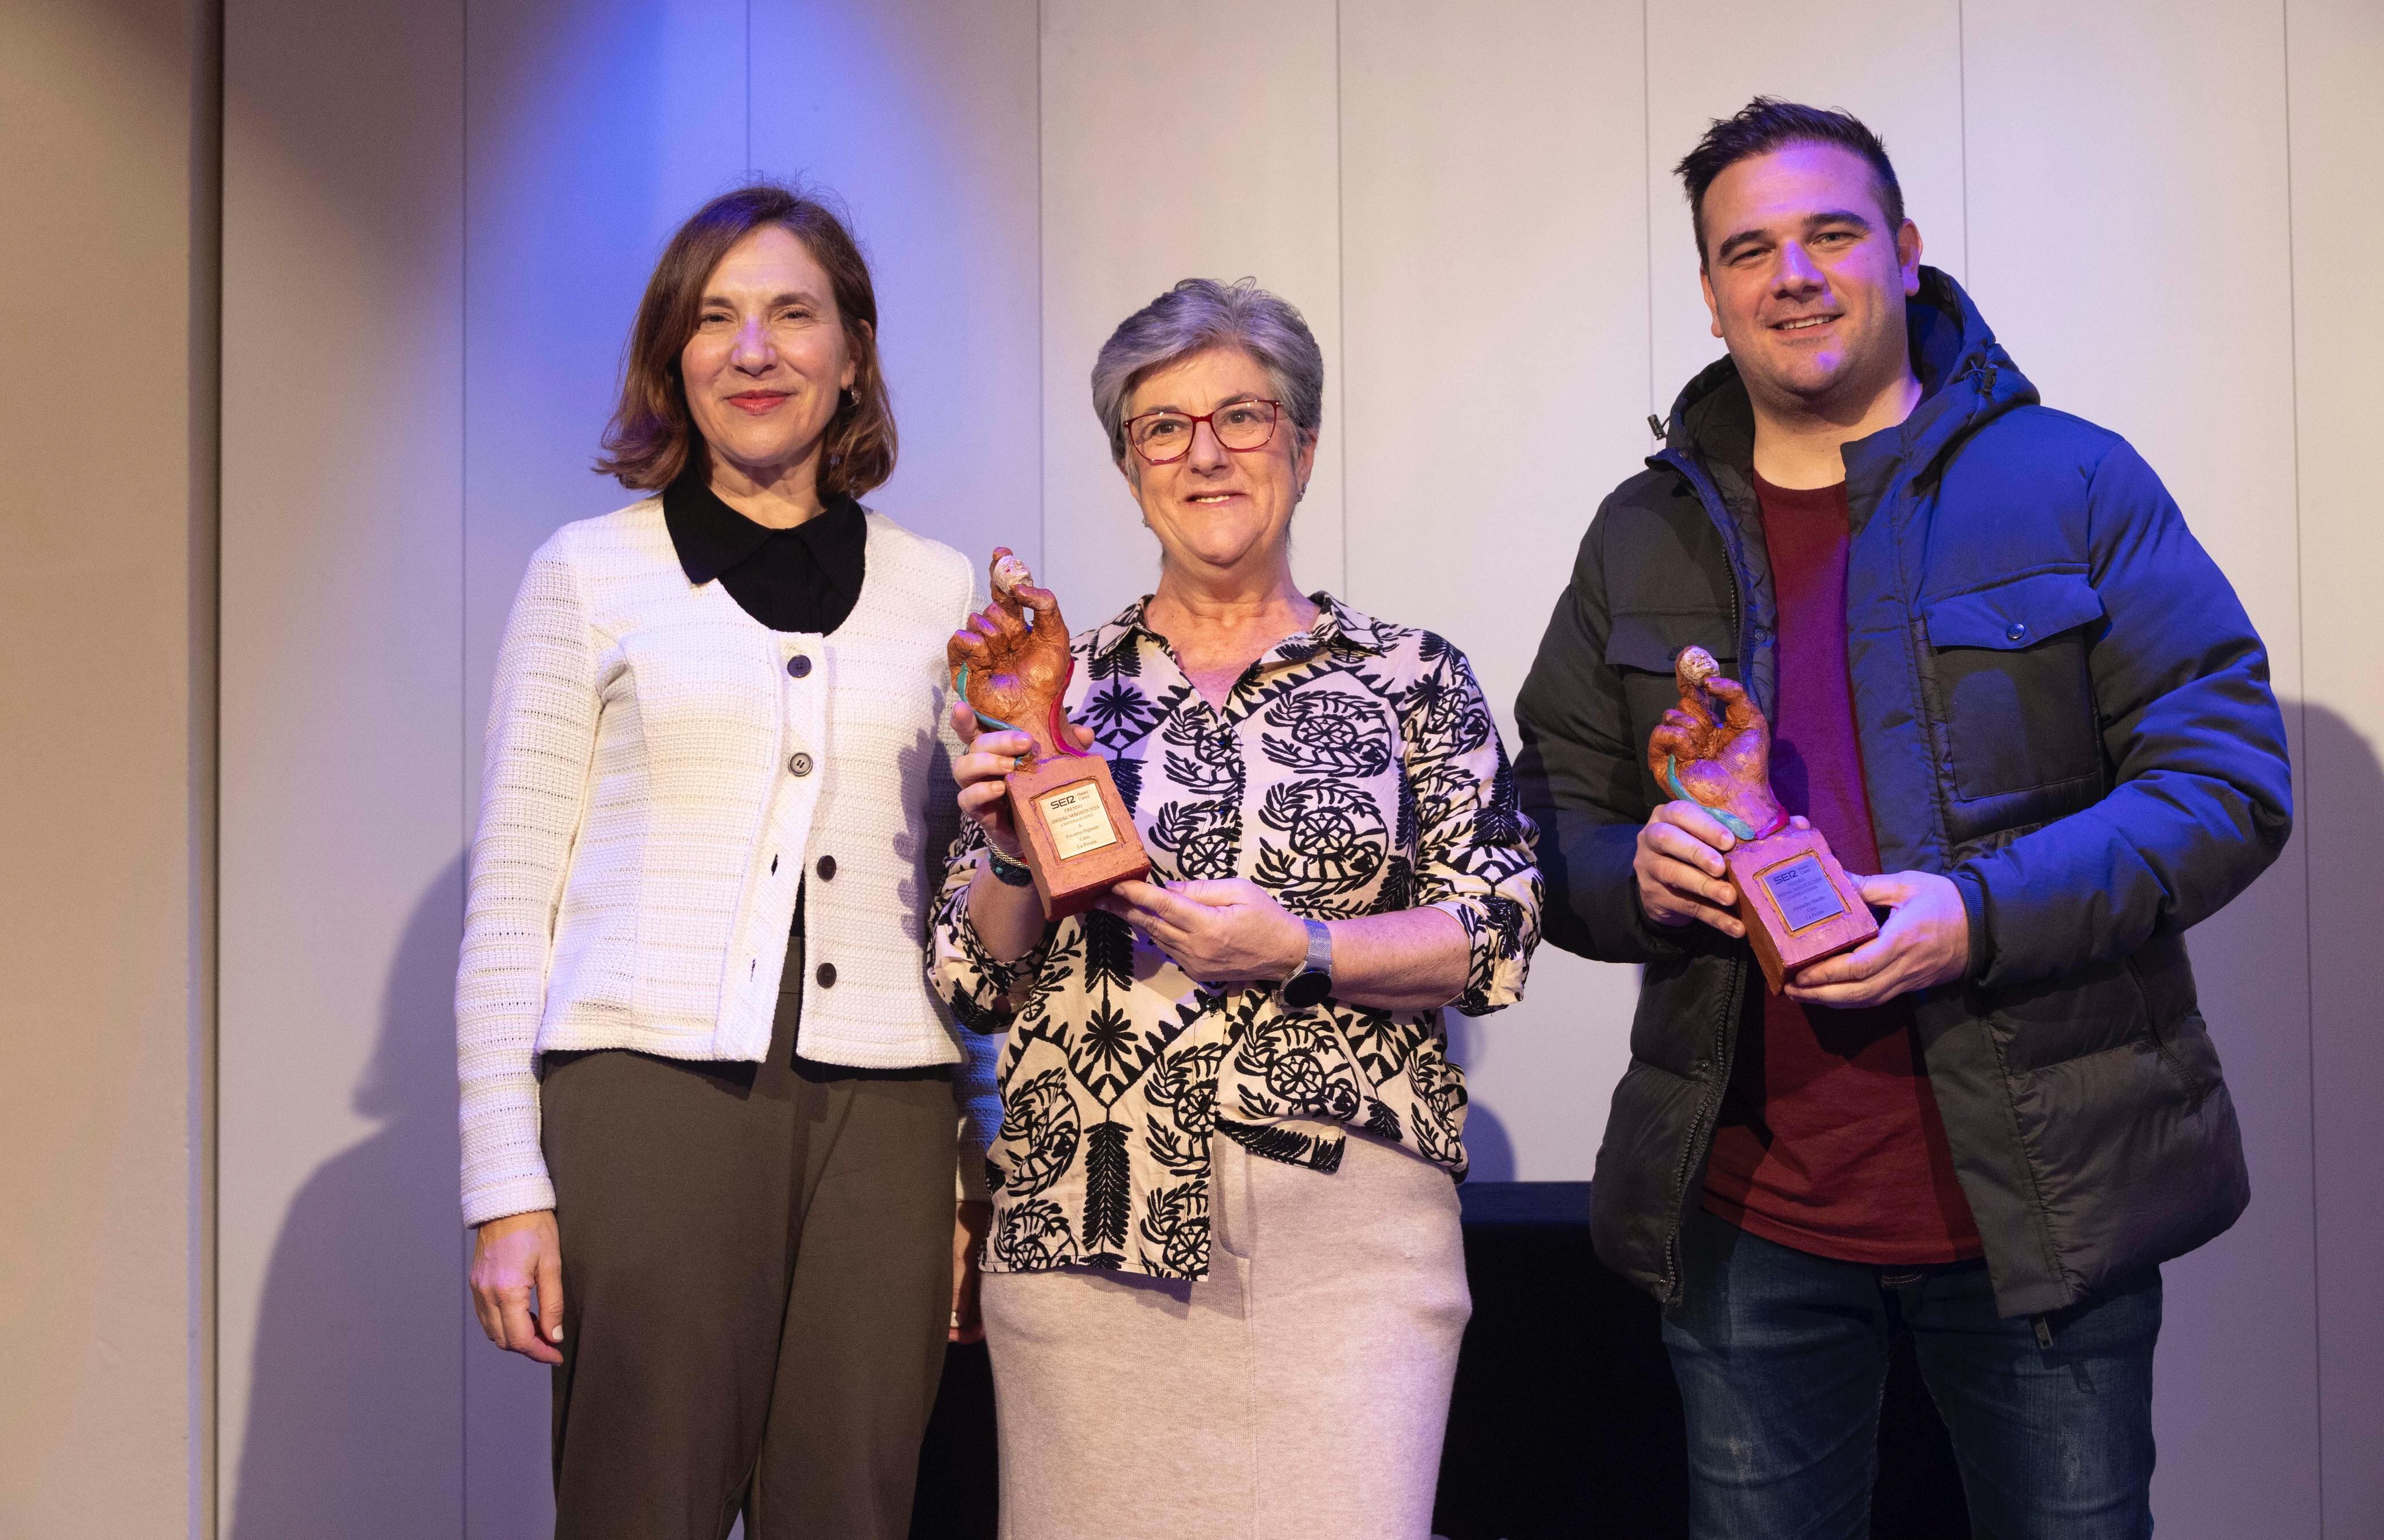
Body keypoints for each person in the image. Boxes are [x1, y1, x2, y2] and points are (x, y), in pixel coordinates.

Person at [1513, 98, 2293, 1539]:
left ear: (1907, 251)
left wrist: (1972, 917)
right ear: (1708, 293)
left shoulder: (2071, 480)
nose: (1790, 274)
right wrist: (1641, 871)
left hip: (2046, 1209)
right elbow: (1545, 813)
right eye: (1747, 249)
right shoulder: (1641, 533)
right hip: (1747, 1211)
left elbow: (2226, 780)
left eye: (1829, 233)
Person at [930, 277, 1541, 1539]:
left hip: (1349, 1238)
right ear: (1128, 463)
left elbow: (1494, 932)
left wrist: (1306, 948)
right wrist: (1004, 854)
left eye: (1244, 417)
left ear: (1303, 448)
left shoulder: (1409, 674)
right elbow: (970, 981)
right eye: (1163, 426)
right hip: (1087, 1216)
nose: (1205, 452)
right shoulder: (1047, 680)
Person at [455, 183, 996, 1540]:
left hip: (887, 1120)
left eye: (793, 314)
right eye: (716, 318)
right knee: (645, 1501)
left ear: (853, 352)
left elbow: (961, 904)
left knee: (857, 1503)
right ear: (673, 359)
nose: (754, 350)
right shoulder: (589, 575)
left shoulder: (940, 596)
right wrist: (504, 1186)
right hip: (646, 1102)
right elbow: (514, 897)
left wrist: (968, 1163)